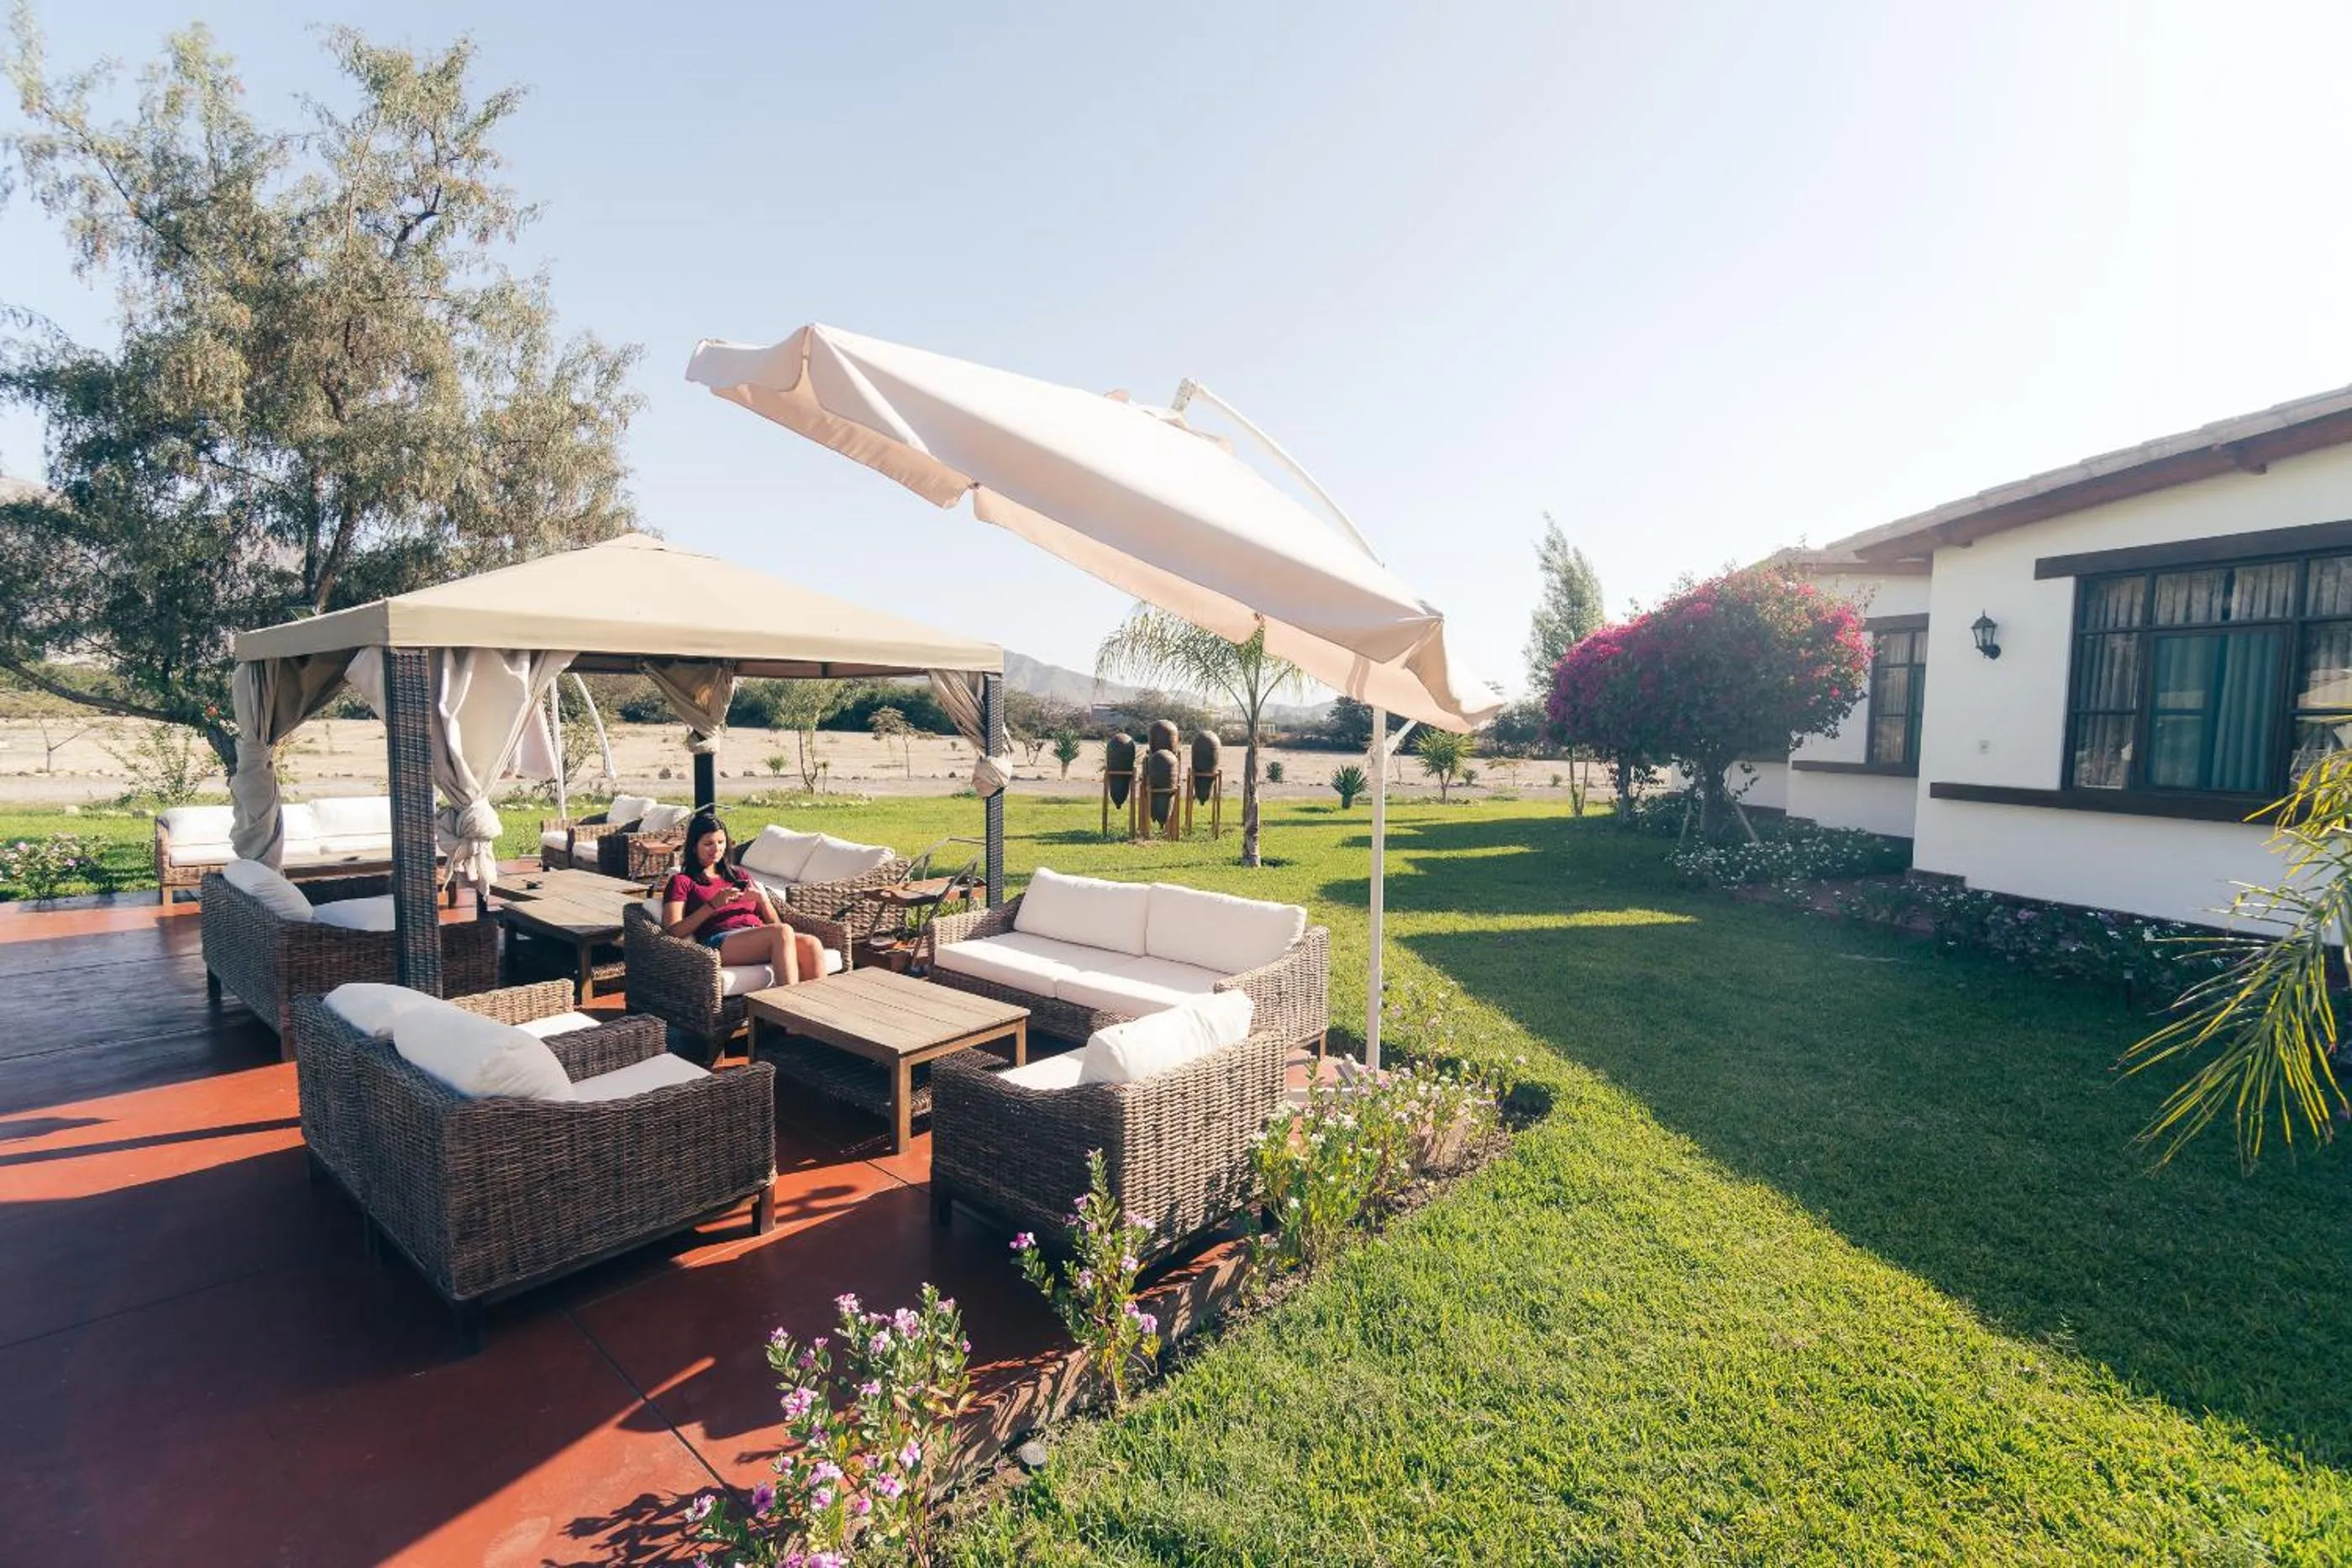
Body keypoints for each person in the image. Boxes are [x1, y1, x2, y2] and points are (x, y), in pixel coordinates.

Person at [662, 813, 826, 986]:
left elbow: (775, 924)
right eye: (708, 844)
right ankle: (786, 1011)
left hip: (756, 933)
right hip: (720, 941)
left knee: (811, 944)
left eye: (721, 842)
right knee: (782, 932)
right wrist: (712, 905)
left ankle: (816, 1011)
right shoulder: (682, 881)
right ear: (694, 847)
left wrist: (763, 900)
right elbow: (673, 931)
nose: (716, 849)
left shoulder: (738, 875)